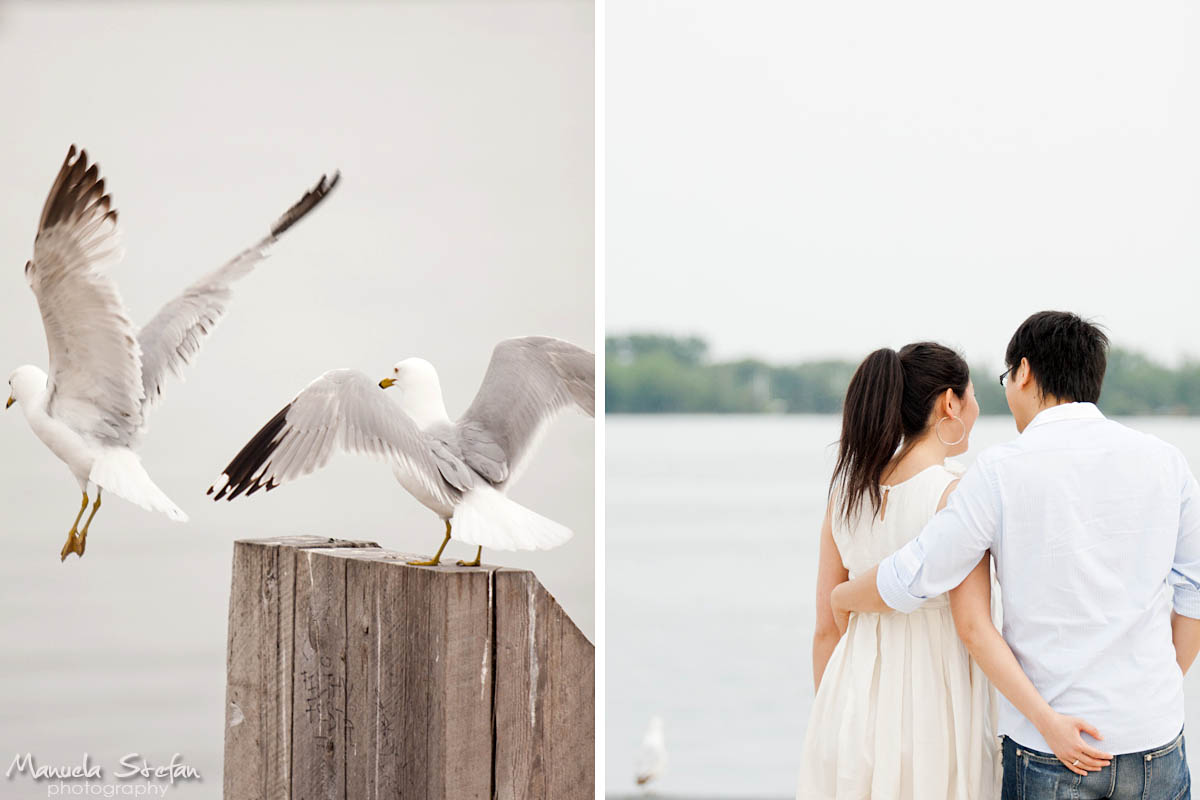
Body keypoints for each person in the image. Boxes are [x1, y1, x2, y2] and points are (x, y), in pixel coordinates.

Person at [831, 310, 1200, 799]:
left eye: (1005, 379)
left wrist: (844, 595)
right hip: (1156, 737)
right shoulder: (1165, 461)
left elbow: (921, 570)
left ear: (1024, 372)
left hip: (1048, 749)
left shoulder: (1000, 470)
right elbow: (1193, 590)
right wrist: (1155, 692)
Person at [797, 341, 1001, 799]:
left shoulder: (847, 496)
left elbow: (826, 631)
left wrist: (830, 717)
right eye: (972, 394)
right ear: (950, 402)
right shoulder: (955, 496)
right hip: (933, 706)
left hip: (847, 704)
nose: (977, 407)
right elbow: (974, 626)